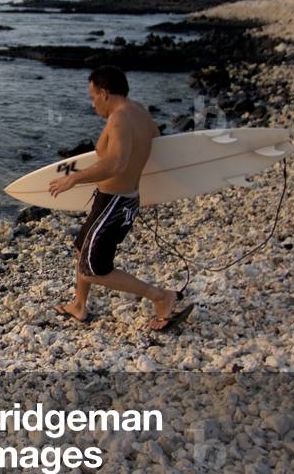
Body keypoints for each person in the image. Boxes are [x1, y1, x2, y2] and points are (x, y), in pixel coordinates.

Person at [48, 66, 193, 331]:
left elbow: (116, 163)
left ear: (104, 93)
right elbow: (155, 143)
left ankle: (161, 296)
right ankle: (79, 304)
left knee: (94, 267)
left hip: (114, 202)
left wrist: (74, 178)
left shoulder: (119, 119)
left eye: (93, 97)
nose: (92, 105)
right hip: (120, 199)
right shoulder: (139, 112)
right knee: (83, 247)